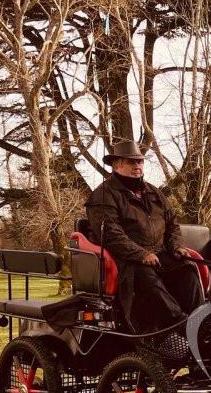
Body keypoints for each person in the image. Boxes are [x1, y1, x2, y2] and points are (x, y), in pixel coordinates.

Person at [85, 141, 203, 333]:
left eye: (139, 161)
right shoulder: (103, 196)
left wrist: (176, 246)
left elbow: (172, 224)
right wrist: (141, 254)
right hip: (124, 260)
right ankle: (179, 323)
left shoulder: (153, 192)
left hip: (159, 254)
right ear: (116, 165)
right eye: (131, 162)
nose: (137, 166)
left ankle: (199, 320)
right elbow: (110, 234)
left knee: (187, 269)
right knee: (145, 274)